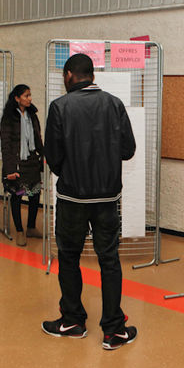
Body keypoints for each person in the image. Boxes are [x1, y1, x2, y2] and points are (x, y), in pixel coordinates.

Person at [42, 53, 137, 350]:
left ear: (70, 74)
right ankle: (113, 330)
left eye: (63, 75)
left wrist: (70, 172)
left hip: (72, 197)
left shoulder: (59, 107)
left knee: (69, 257)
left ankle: (72, 321)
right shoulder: (115, 104)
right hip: (108, 197)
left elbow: (53, 157)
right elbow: (128, 150)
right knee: (109, 260)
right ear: (91, 74)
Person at [0, 84, 44, 247]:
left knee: (34, 195)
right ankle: (19, 231)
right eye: (26, 96)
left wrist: (44, 155)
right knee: (18, 196)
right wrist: (10, 169)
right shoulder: (8, 118)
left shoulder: (32, 115)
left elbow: (38, 137)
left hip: (32, 162)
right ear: (17, 98)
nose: (30, 98)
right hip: (17, 164)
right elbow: (5, 144)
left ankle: (31, 227)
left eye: (30, 95)